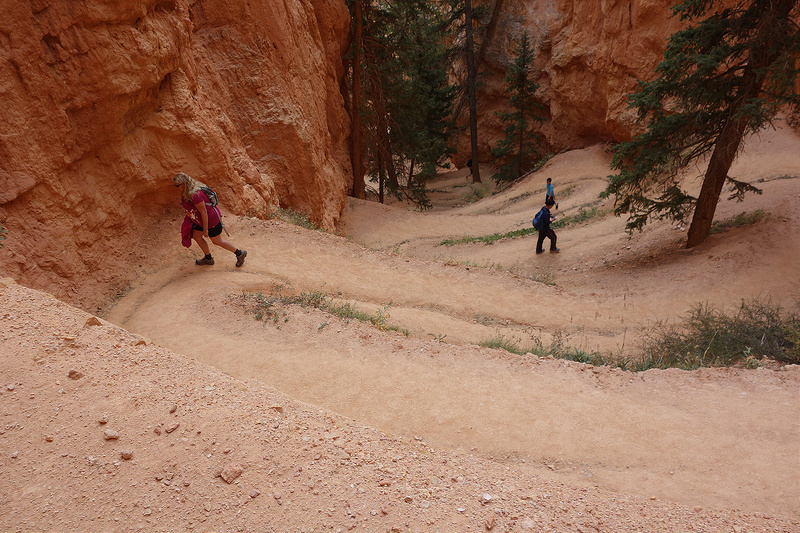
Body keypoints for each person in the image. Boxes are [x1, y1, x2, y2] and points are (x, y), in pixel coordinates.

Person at [173, 172, 247, 267]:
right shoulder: (189, 190)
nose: (176, 187)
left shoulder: (195, 195)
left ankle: (240, 253)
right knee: (197, 236)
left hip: (210, 221)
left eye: (177, 185)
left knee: (217, 241)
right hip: (200, 221)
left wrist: (205, 229)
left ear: (184, 184)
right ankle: (208, 258)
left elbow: (204, 212)